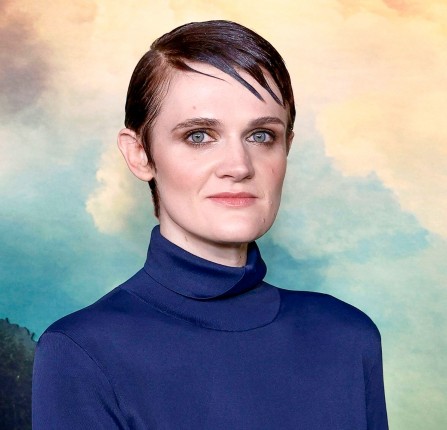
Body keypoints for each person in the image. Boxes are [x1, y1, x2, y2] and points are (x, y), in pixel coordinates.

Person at [32, 20, 388, 429]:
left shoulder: (348, 336)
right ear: (140, 154)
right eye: (199, 135)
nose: (238, 166)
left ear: (287, 147)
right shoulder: (81, 352)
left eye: (261, 136)